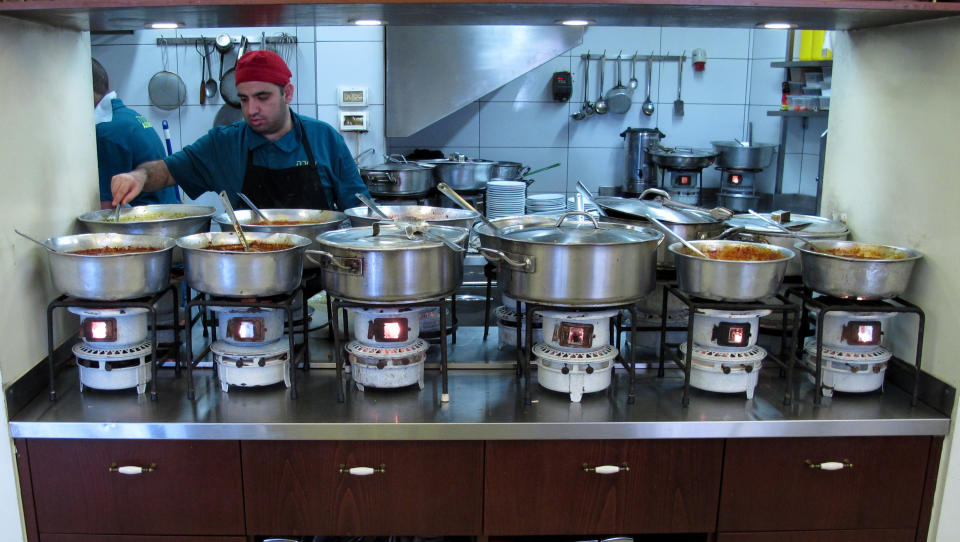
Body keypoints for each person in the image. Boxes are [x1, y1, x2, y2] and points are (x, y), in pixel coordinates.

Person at [111, 50, 369, 211]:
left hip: (318, 277)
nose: (252, 109)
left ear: (287, 93)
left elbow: (359, 207)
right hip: (249, 280)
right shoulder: (223, 144)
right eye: (244, 99)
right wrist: (139, 177)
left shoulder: (324, 138)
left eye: (262, 97)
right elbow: (166, 172)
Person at [93, 59, 179, 209]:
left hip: (149, 223)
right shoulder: (126, 116)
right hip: (165, 211)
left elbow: (107, 208)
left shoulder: (106, 133)